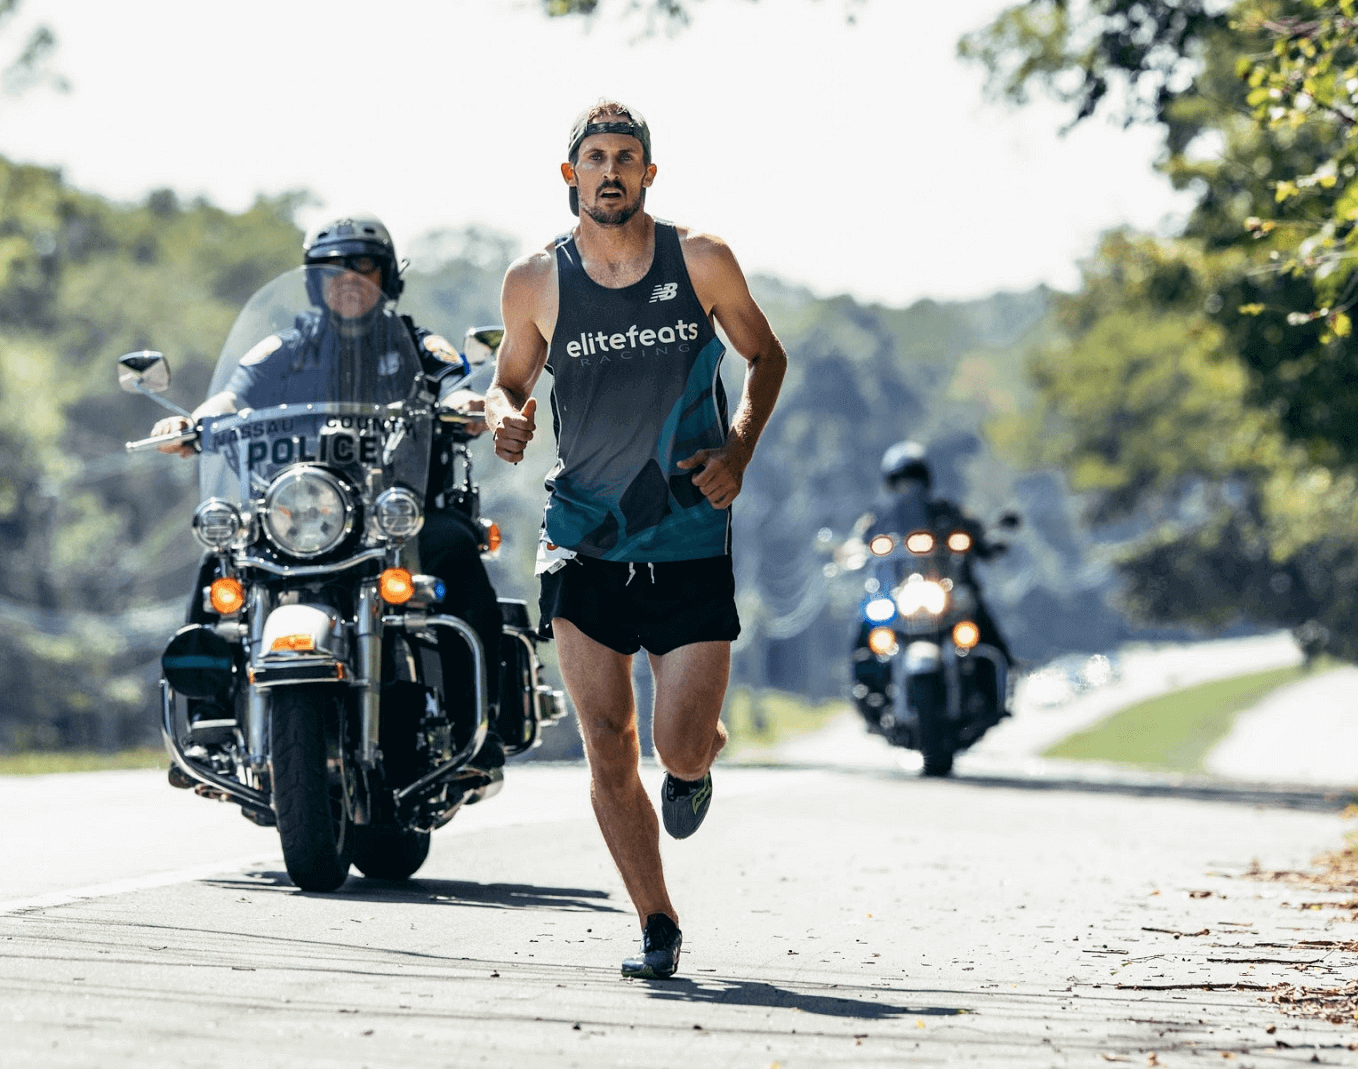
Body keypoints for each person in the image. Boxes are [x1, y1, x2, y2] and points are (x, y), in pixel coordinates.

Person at [485, 100, 787, 980]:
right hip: (581, 535)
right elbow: (507, 381)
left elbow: (766, 356)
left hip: (689, 529)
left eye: (626, 157)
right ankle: (656, 921)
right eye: (595, 157)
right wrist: (507, 418)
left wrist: (738, 449)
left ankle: (698, 763)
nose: (610, 170)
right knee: (608, 739)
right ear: (570, 174)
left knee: (676, 746)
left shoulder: (700, 260)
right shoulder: (535, 280)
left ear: (650, 173)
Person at [150, 214, 506, 767]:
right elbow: (231, 396)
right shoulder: (283, 348)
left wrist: (469, 405)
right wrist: (193, 423)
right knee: (219, 565)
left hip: (398, 516)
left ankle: (481, 726)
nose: (348, 277)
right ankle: (208, 721)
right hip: (300, 516)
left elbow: (456, 383)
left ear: (386, 276)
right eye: (332, 268)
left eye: (362, 266)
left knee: (456, 549)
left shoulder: (415, 342)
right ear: (313, 281)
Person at [848, 441, 1013, 707]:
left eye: (913, 479)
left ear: (925, 480)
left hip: (946, 591)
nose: (908, 486)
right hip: (897, 595)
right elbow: (858, 542)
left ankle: (1003, 682)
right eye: (901, 481)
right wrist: (850, 553)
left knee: (982, 619)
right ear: (891, 484)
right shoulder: (878, 518)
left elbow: (976, 533)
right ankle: (864, 690)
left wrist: (986, 542)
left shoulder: (947, 511)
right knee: (864, 629)